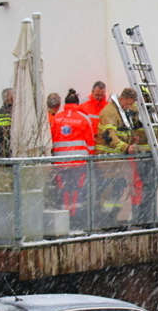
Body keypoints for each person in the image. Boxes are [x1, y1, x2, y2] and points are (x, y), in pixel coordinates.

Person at [96, 88, 144, 226]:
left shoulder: (120, 112)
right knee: (107, 192)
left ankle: (114, 220)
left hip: (116, 160)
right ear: (122, 99)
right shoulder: (109, 113)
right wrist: (126, 147)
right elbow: (109, 136)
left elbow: (121, 132)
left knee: (117, 190)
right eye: (128, 104)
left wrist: (131, 140)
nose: (129, 107)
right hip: (107, 159)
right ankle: (105, 222)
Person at [51, 89, 95, 229]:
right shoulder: (83, 118)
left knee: (63, 190)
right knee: (77, 190)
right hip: (79, 163)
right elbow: (91, 142)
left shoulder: (57, 118)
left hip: (60, 162)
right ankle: (75, 219)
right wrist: (92, 159)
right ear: (77, 103)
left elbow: (50, 139)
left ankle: (64, 219)